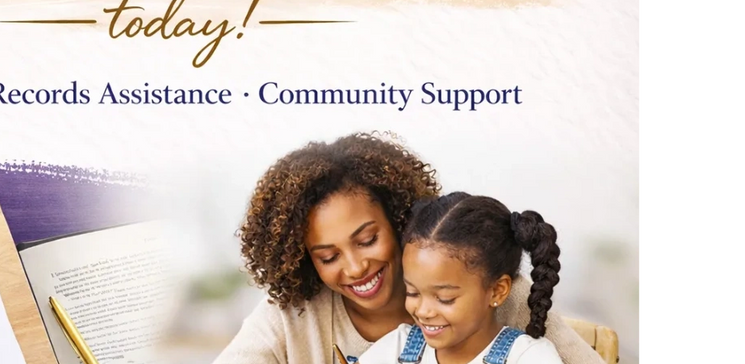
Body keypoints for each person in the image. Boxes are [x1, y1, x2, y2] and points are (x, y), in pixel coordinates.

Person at [211, 133, 602, 364]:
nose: (355, 267)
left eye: (367, 240)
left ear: (399, 222)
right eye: (327, 256)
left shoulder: (500, 296)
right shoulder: (297, 314)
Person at [355, 192, 563, 364]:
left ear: (497, 291)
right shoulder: (397, 348)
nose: (423, 311)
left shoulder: (528, 357)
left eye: (445, 298)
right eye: (412, 292)